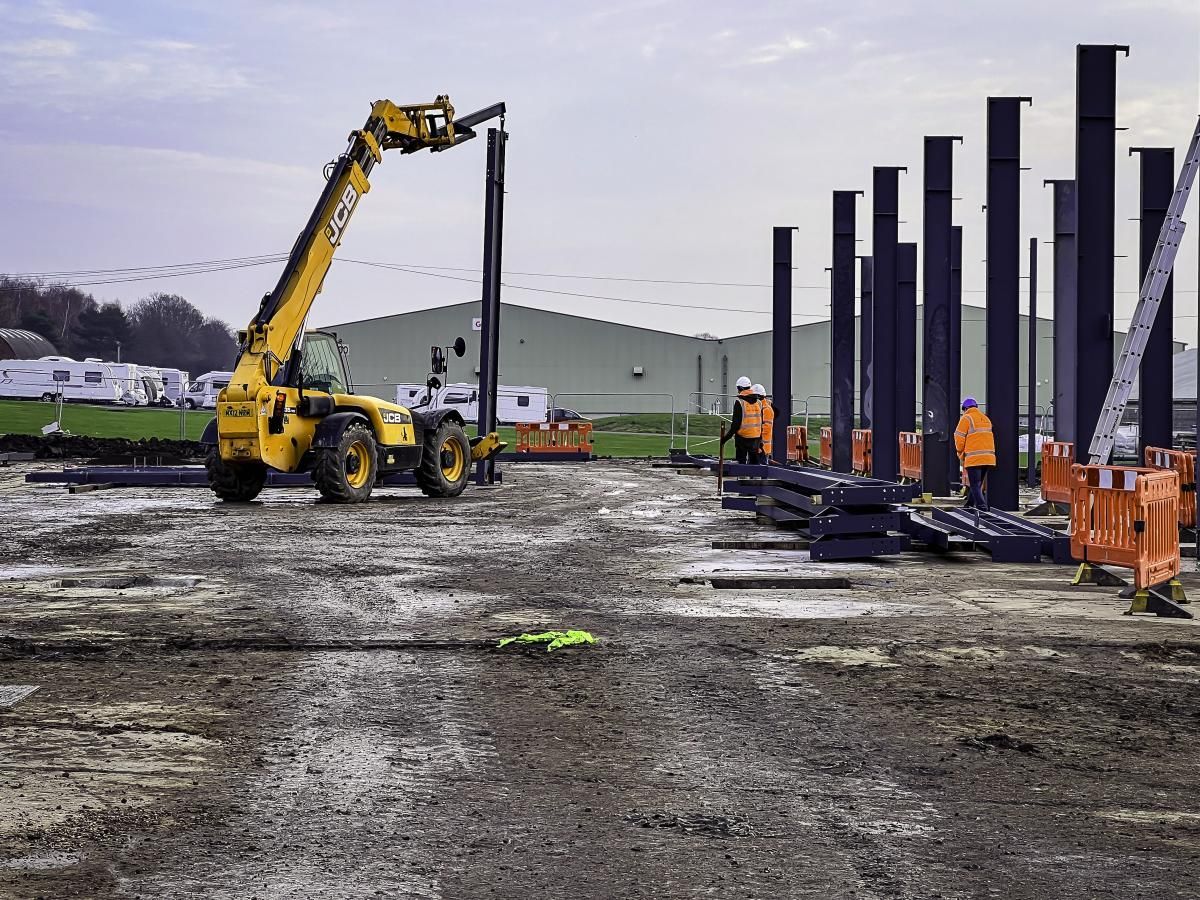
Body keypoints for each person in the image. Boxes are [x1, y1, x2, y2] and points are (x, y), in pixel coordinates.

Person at [954, 396, 996, 511]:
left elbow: (958, 438)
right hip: (988, 458)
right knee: (977, 484)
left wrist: (960, 453)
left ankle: (982, 508)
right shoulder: (985, 418)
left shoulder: (966, 418)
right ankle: (969, 505)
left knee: (974, 484)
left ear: (965, 409)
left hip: (974, 458)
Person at [720, 376, 763, 463]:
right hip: (756, 438)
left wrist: (725, 438)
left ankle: (742, 476)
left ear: (740, 388)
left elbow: (735, 425)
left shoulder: (739, 402)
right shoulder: (759, 402)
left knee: (741, 463)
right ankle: (754, 476)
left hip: (742, 438)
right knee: (755, 464)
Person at [753, 383, 774, 463]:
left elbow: (766, 429)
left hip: (762, 447)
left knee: (761, 469)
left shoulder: (766, 409)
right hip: (758, 446)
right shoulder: (761, 407)